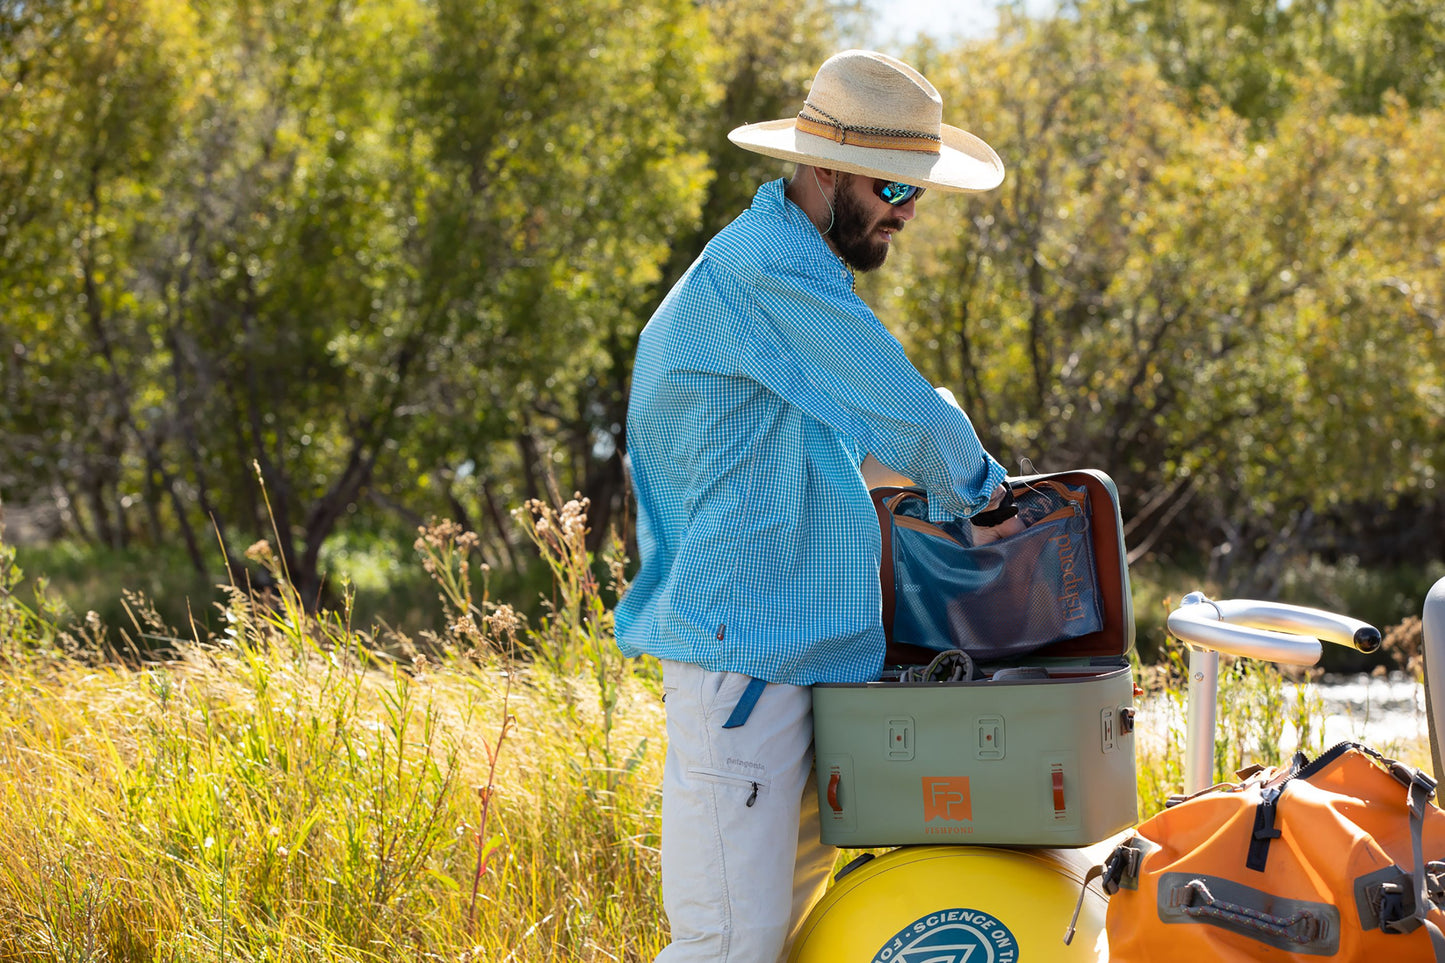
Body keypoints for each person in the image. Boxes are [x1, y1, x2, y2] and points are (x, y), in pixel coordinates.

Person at [614, 49, 1024, 962]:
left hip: (786, 660)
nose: (906, 213)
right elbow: (902, 404)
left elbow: (837, 450)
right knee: (725, 945)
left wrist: (934, 480)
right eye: (892, 186)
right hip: (745, 668)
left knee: (790, 940)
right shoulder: (768, 270)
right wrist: (987, 495)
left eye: (918, 193)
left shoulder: (786, 271)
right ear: (824, 167)